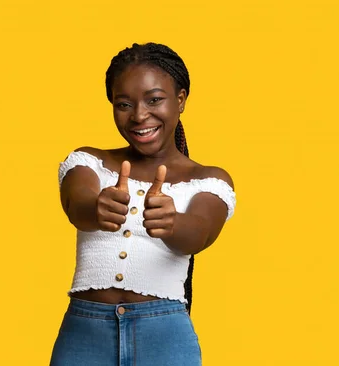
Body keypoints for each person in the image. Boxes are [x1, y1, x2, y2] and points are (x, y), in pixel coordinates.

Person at [50, 42, 236, 366]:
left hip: (164, 336)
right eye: (123, 104)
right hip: (84, 334)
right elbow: (75, 202)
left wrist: (173, 223)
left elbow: (201, 232)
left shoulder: (209, 179)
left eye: (154, 100)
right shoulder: (89, 161)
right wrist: (96, 208)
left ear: (180, 100)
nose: (138, 115)